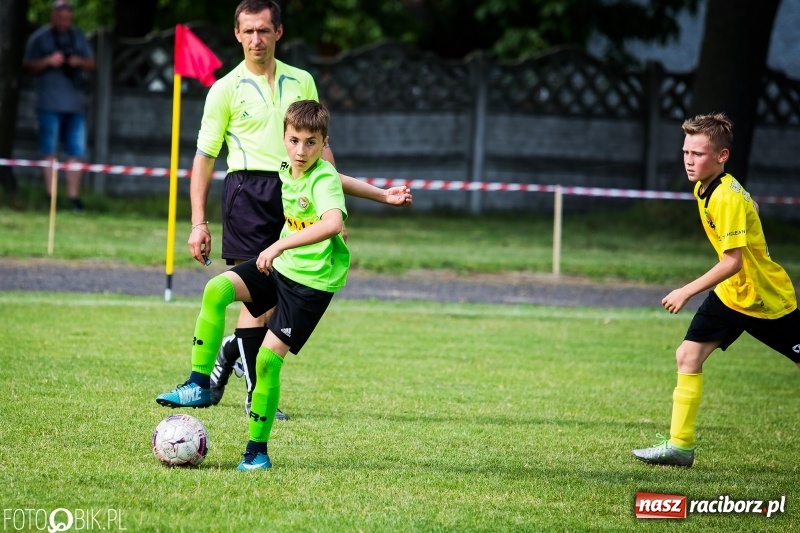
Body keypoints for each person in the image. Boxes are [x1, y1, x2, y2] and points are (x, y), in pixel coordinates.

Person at [187, 0, 412, 420]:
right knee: (256, 298)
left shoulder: (302, 79)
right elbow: (203, 158)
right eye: (248, 31)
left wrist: (335, 209)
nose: (256, 39)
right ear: (237, 34)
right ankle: (251, 390)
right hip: (247, 194)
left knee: (273, 299)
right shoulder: (224, 89)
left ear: (279, 32)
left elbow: (319, 144)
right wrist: (198, 222)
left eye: (264, 30)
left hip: (297, 190)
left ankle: (236, 355)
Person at [159, 100, 349, 470]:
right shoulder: (288, 166)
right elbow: (344, 182)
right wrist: (383, 194)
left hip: (309, 286)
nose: (300, 150)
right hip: (281, 268)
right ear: (283, 137)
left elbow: (330, 223)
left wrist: (277, 245)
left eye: (311, 143)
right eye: (294, 140)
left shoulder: (322, 176)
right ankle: (199, 384)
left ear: (324, 143)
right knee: (217, 289)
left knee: (266, 360)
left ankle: (256, 452)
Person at [631, 112, 800, 468]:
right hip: (730, 295)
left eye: (699, 154)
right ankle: (679, 447)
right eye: (686, 153)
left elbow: (732, 262)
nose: (690, 161)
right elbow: (749, 206)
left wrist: (685, 291)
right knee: (687, 356)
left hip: (764, 298)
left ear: (722, 156)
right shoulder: (706, 186)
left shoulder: (725, 197)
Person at [22, 0, 95, 212]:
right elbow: (26, 66)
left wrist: (78, 62)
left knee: (77, 151)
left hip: (74, 106)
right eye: (59, 16)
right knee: (49, 150)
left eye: (67, 17)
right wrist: (48, 61)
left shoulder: (78, 36)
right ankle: (50, 198)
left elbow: (92, 64)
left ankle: (73, 199)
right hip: (48, 104)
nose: (63, 20)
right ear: (52, 16)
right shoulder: (40, 38)